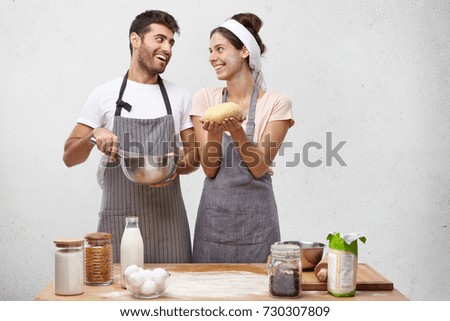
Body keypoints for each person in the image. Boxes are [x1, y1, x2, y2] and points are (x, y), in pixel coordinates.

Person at [63, 10, 198, 263]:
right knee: (115, 293)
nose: (167, 48)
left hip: (169, 221)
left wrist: (176, 165)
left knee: (176, 294)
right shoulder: (105, 94)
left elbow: (196, 157)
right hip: (120, 218)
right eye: (159, 39)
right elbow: (69, 157)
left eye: (171, 42)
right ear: (135, 39)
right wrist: (93, 135)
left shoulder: (179, 96)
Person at [190, 13, 295, 263]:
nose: (212, 58)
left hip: (257, 225)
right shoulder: (205, 100)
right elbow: (209, 169)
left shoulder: (277, 103)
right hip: (213, 223)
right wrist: (215, 134)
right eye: (210, 50)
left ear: (245, 51)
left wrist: (237, 131)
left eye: (220, 49)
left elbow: (259, 168)